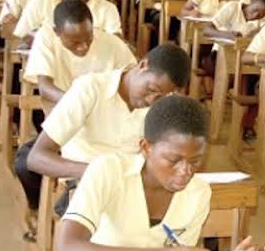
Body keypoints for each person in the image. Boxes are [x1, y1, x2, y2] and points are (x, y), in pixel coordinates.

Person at [54, 95, 265, 251]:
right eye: (173, 160)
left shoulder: (198, 193)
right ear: (146, 147)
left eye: (196, 161)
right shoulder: (109, 170)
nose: (186, 171)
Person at [18, 44, 190, 210]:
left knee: (185, 207)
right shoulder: (90, 89)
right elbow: (36, 158)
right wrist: (98, 173)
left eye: (160, 97)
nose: (151, 100)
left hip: (131, 187)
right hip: (85, 184)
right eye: (151, 89)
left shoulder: (162, 108)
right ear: (143, 65)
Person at [23, 0, 136, 106]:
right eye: (75, 42)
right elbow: (45, 87)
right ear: (57, 32)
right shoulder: (46, 37)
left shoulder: (111, 43)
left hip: (103, 112)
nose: (84, 47)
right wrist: (78, 104)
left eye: (89, 39)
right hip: (62, 109)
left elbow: (134, 79)